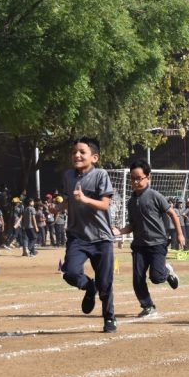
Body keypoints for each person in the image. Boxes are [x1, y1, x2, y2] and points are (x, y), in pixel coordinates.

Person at [59, 137, 118, 332]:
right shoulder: (68, 176)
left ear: (94, 157)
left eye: (82, 152)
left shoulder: (101, 175)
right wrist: (57, 208)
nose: (77, 155)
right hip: (77, 236)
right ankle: (89, 287)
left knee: (105, 282)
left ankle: (109, 318)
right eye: (74, 152)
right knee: (70, 273)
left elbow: (105, 204)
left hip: (101, 238)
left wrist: (85, 199)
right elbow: (69, 200)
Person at [116, 159, 183, 319]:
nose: (135, 182)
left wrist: (180, 234)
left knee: (156, 278)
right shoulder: (131, 202)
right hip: (139, 245)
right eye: (133, 178)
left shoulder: (155, 196)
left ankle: (166, 271)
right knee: (137, 278)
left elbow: (172, 214)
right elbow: (132, 225)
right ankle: (148, 306)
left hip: (157, 243)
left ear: (148, 177)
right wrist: (119, 231)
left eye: (139, 178)